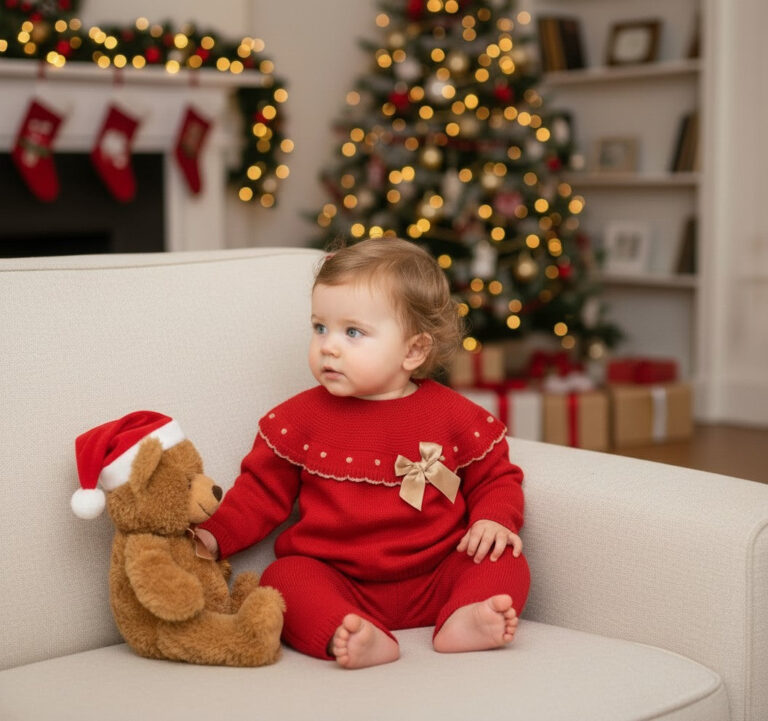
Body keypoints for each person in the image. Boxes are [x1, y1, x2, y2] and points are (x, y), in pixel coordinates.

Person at [196, 237, 530, 669]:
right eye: (320, 328)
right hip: (339, 578)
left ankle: (463, 619)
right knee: (283, 578)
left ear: (413, 350)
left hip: (438, 572)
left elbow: (496, 477)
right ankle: (349, 630)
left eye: (352, 332)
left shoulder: (453, 415)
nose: (328, 346)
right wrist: (213, 534)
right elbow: (259, 493)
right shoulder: (297, 420)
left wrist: (494, 518)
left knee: (506, 559)